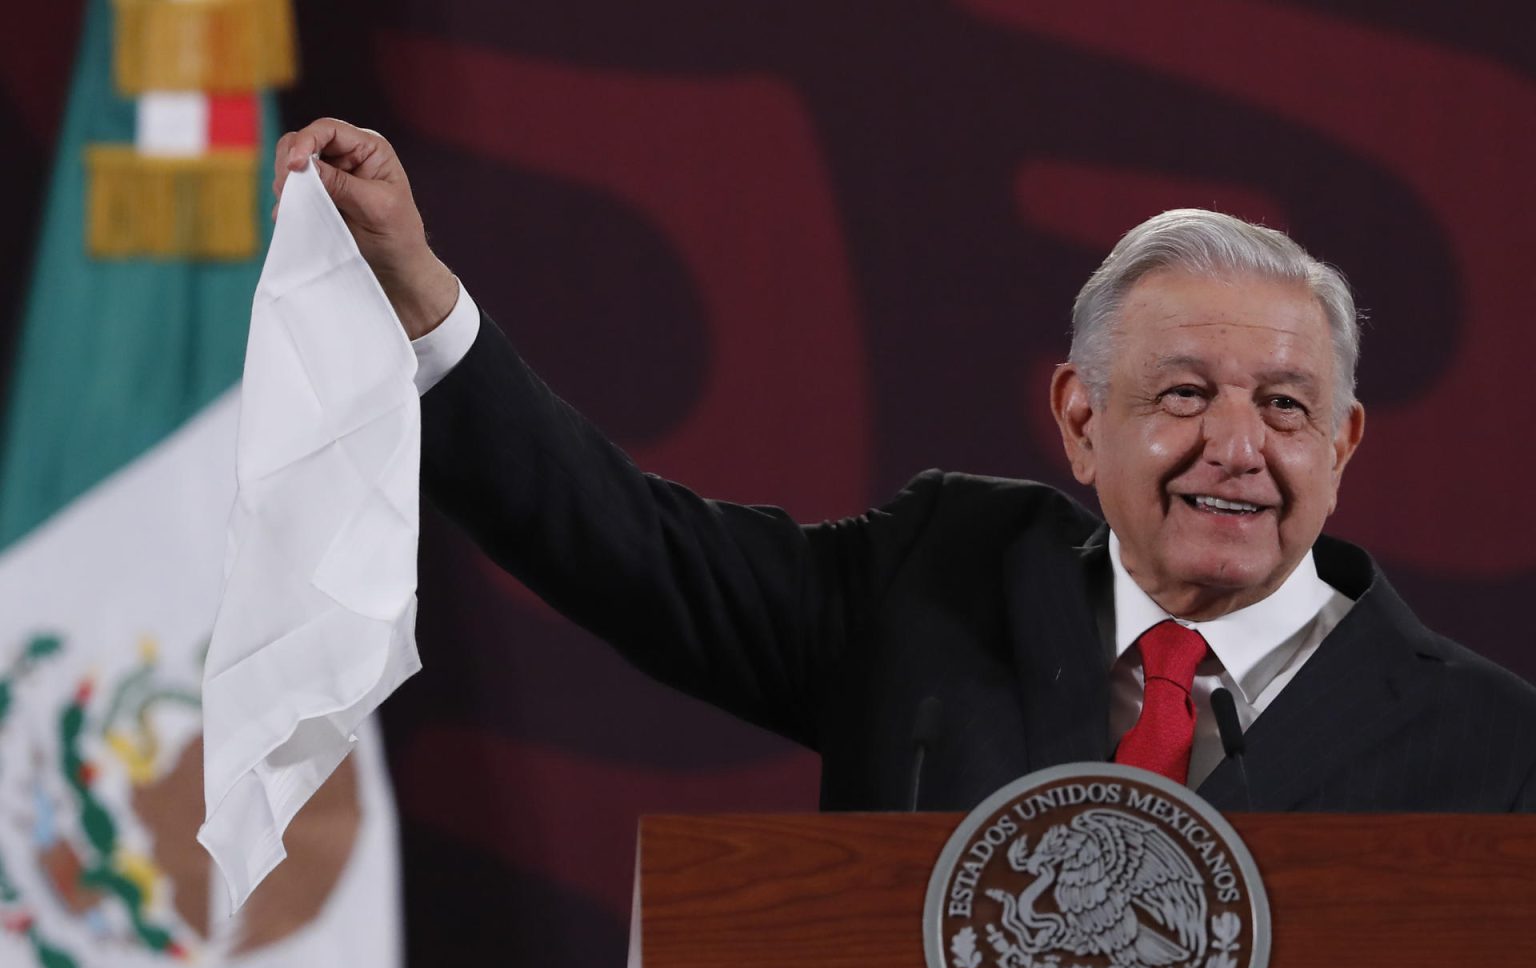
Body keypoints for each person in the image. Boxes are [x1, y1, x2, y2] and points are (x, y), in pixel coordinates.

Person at [272, 119, 1536, 813]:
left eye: (1285, 406)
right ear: (1082, 421)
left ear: (1343, 443)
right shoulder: (938, 579)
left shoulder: (1495, 744)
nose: (1238, 448)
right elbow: (626, 548)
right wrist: (421, 299)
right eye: (1185, 396)